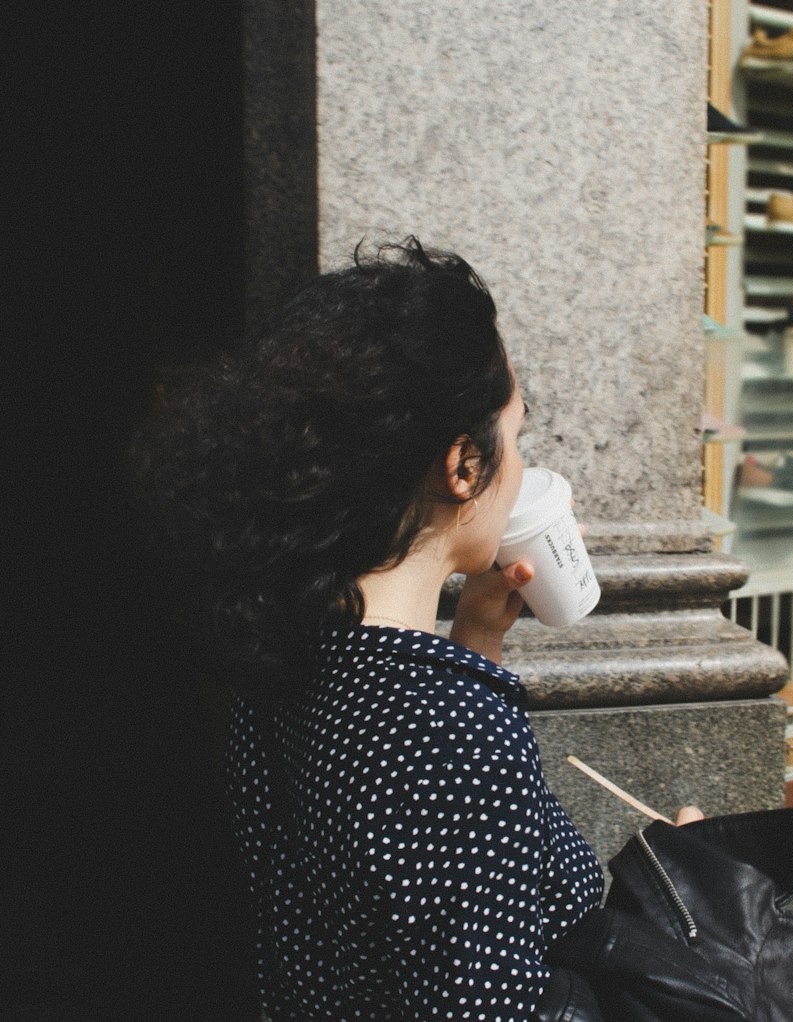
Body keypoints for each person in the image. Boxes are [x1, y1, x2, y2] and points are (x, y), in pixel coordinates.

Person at [133, 237, 699, 1021]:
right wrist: (685, 905)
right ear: (464, 465)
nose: (522, 467)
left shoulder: (286, 655)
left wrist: (475, 648)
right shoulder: (447, 732)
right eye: (518, 435)